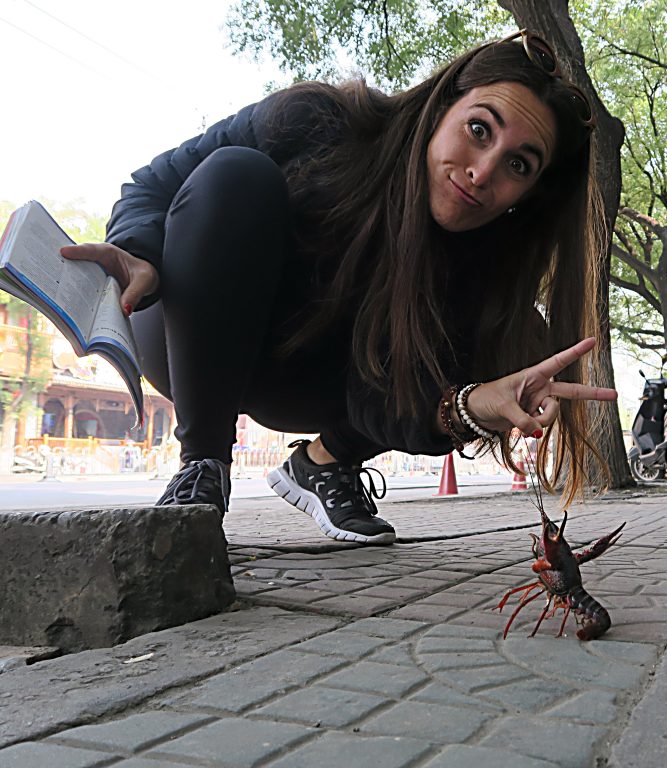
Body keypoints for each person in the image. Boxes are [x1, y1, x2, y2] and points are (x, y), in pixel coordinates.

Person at [61, 31, 617, 545]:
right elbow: (153, 186)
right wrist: (138, 251)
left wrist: (467, 407)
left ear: (528, 191)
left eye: (518, 164)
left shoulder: (481, 266)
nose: (481, 171)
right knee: (236, 174)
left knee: (516, 339)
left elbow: (394, 402)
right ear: (442, 104)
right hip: (189, 333)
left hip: (315, 386)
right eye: (479, 130)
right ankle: (201, 472)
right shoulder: (315, 120)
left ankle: (326, 463)